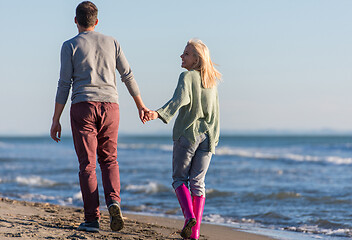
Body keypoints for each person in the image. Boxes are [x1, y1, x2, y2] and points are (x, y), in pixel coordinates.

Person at [50, 1, 148, 233]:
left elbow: (65, 84)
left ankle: (92, 218)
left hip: (83, 106)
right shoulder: (112, 42)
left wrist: (56, 118)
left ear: (76, 20)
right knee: (110, 160)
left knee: (88, 165)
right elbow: (127, 75)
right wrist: (140, 106)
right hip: (111, 106)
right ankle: (114, 202)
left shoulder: (69, 46)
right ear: (96, 21)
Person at [145, 39, 221, 240]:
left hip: (188, 134)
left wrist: (158, 114)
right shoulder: (211, 82)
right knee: (198, 183)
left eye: (186, 53)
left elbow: (179, 100)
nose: (181, 56)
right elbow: (216, 114)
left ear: (197, 59)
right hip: (208, 136)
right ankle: (194, 234)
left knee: (179, 179)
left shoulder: (187, 77)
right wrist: (214, 138)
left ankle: (189, 218)